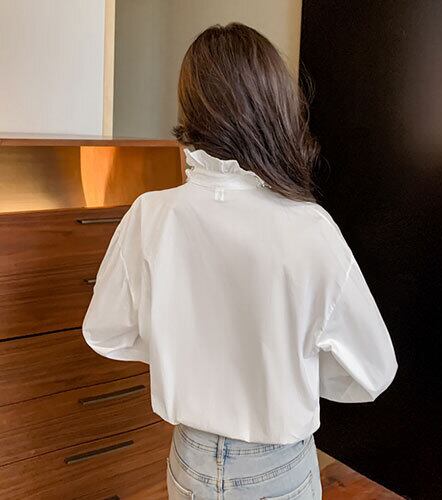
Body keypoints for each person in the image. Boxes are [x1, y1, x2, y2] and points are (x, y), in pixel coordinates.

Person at [82, 22, 398, 500]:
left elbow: (106, 331)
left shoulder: (151, 215)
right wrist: (285, 364)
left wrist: (183, 347)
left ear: (191, 108)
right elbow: (374, 370)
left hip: (189, 460)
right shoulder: (309, 228)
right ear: (275, 107)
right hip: (276, 464)